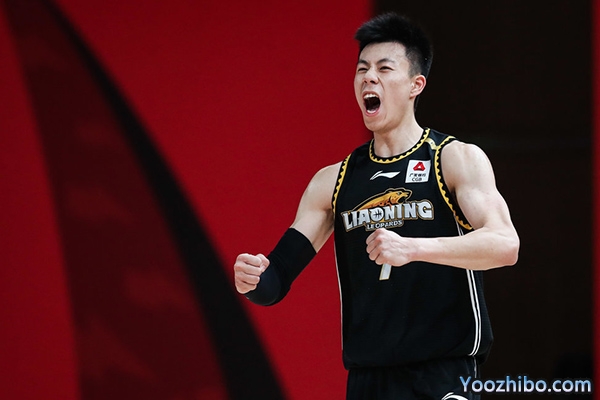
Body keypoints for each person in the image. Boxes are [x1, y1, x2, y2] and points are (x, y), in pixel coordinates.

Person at [233, 12, 519, 400]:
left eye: (384, 68)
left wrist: (414, 248)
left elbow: (504, 245)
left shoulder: (453, 158)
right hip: (368, 381)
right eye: (362, 69)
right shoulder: (334, 180)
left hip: (444, 376)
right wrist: (254, 280)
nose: (369, 77)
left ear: (416, 85)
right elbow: (276, 280)